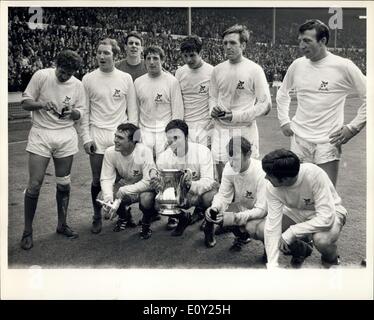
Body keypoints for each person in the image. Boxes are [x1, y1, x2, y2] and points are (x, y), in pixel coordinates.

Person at [276, 19, 366, 186]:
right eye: (300, 40)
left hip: (328, 140)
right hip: (299, 140)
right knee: (299, 192)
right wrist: (284, 120)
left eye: (307, 41)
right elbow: (282, 94)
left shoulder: (344, 66)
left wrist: (353, 128)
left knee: (327, 193)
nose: (301, 46)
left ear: (323, 41)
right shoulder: (297, 65)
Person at [20, 49, 85, 250]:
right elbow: (25, 102)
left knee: (64, 184)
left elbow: (81, 112)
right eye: (62, 71)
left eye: (69, 73)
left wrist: (74, 112)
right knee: (34, 184)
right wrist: (41, 104)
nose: (65, 76)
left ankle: (62, 224)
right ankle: (27, 231)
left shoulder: (78, 85)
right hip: (41, 133)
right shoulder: (42, 75)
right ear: (56, 65)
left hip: (65, 135)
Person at [80, 38, 138, 234]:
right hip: (97, 136)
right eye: (99, 52)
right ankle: (97, 216)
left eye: (106, 53)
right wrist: (86, 138)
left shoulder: (125, 78)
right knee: (97, 180)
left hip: (120, 137)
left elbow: (133, 112)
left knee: (120, 181)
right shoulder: (88, 79)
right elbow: (85, 112)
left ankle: (123, 214)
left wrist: (134, 138)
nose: (102, 56)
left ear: (115, 55)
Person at [262, 149, 347, 268]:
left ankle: (330, 260)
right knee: (264, 229)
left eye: (269, 175)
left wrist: (292, 232)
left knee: (322, 240)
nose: (266, 178)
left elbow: (326, 219)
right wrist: (272, 265)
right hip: (297, 212)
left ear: (286, 179)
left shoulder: (314, 174)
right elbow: (272, 226)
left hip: (331, 211)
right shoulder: (271, 187)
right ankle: (302, 249)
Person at [209, 24, 271, 182]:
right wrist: (213, 109)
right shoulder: (217, 70)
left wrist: (235, 116)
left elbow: (265, 105)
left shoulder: (254, 69)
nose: (227, 47)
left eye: (232, 43)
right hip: (221, 130)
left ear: (243, 45)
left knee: (246, 177)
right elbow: (212, 97)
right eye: (225, 43)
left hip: (244, 130)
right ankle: (223, 206)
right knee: (222, 177)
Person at [151, 119, 217, 235]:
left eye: (176, 138)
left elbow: (208, 181)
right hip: (179, 194)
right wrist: (159, 186)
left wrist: (190, 184)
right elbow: (163, 186)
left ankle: (209, 228)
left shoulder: (202, 152)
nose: (173, 143)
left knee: (210, 197)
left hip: (197, 193)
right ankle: (183, 218)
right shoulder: (163, 157)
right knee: (157, 203)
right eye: (170, 139)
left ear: (186, 137)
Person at [204, 136, 267, 252]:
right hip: (243, 207)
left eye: (236, 159)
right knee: (219, 210)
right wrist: (214, 208)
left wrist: (234, 217)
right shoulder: (229, 167)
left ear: (248, 154)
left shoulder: (261, 172)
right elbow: (223, 195)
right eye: (230, 158)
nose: (232, 163)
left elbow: (262, 210)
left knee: (253, 227)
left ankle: (268, 249)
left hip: (263, 213)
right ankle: (242, 237)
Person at [100, 123, 157, 239]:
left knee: (146, 200)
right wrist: (108, 199)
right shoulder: (110, 152)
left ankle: (146, 223)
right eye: (115, 136)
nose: (115, 140)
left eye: (120, 138)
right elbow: (106, 178)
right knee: (103, 196)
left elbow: (148, 181)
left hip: (146, 189)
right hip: (127, 185)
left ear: (133, 141)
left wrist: (125, 189)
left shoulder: (144, 151)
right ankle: (124, 216)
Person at [134, 45, 184, 160]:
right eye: (148, 58)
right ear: (144, 61)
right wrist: (137, 135)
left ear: (162, 60)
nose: (152, 62)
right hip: (144, 132)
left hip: (164, 133)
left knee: (164, 169)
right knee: (146, 170)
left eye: (155, 58)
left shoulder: (172, 81)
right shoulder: (138, 82)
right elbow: (135, 111)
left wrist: (173, 135)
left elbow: (177, 112)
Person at [175, 35, 214, 148]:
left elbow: (215, 98)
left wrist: (213, 122)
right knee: (188, 162)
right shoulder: (180, 72)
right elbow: (178, 100)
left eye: (192, 55)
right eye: (185, 56)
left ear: (200, 53)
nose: (188, 60)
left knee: (205, 161)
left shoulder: (212, 71)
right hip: (186, 125)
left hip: (205, 126)